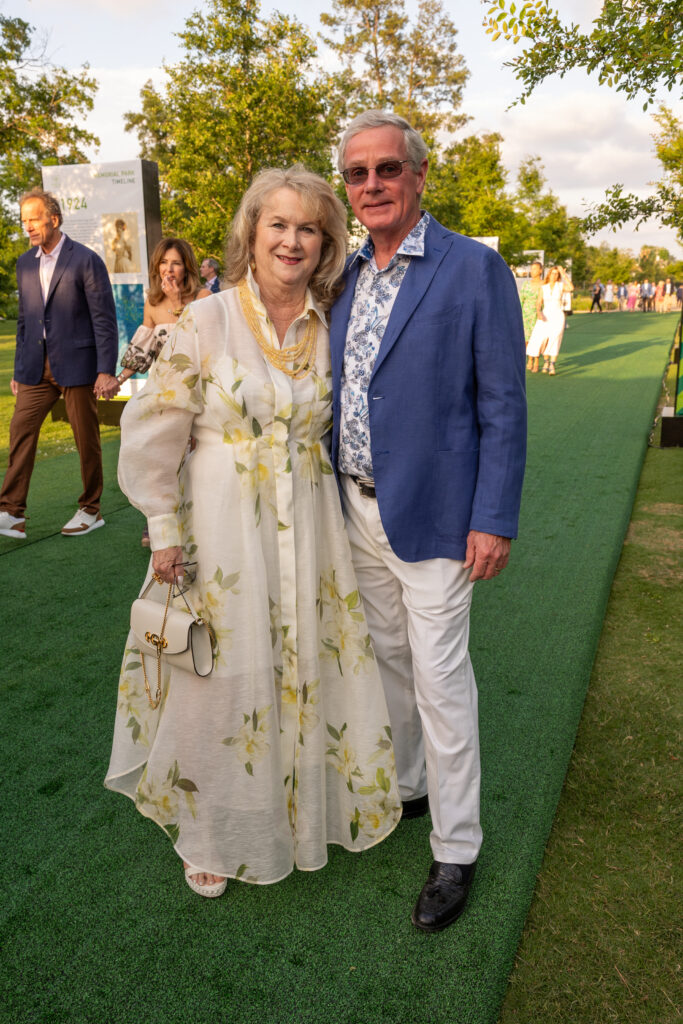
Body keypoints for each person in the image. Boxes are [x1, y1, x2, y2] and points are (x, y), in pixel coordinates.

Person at [105, 166, 401, 899]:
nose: (292, 240)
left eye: (308, 228)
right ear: (251, 231)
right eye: (278, 224)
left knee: (303, 662)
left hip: (310, 522)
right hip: (221, 524)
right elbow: (153, 432)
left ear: (326, 242)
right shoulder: (203, 321)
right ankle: (210, 832)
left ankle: (299, 812)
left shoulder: (332, 327)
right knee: (220, 675)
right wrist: (165, 527)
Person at [329, 110, 527, 932]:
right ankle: (409, 791)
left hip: (441, 515)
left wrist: (493, 517)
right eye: (355, 174)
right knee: (387, 664)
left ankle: (456, 847)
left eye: (385, 170)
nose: (370, 185)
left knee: (442, 681)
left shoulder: (473, 269)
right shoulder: (342, 274)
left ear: (417, 176)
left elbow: (503, 405)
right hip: (353, 505)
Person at [0, 188, 118, 541]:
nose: (28, 227)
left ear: (53, 218)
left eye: (34, 219)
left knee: (86, 439)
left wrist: (105, 369)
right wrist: (20, 371)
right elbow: (25, 321)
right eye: (24, 221)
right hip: (36, 368)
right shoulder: (25, 263)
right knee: (21, 431)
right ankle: (11, 512)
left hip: (79, 366)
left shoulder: (85, 259)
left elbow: (104, 319)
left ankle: (91, 508)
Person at [114, 238, 211, 546]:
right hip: (163, 387)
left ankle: (198, 519)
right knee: (159, 452)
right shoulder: (153, 303)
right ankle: (158, 519)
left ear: (188, 268)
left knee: (193, 453)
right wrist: (118, 379)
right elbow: (145, 346)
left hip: (198, 387)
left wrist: (180, 303)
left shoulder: (205, 296)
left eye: (176, 263)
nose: (169, 269)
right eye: (164, 263)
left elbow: (203, 340)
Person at [526, 266, 573, 375]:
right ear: (549, 274)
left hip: (558, 316)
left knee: (555, 339)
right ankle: (546, 361)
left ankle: (552, 364)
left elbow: (571, 288)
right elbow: (539, 302)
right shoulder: (544, 287)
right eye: (552, 273)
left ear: (558, 276)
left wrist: (564, 274)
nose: (554, 276)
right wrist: (538, 312)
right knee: (541, 339)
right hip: (545, 315)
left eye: (556, 274)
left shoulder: (560, 286)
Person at [519, 260, 543, 367]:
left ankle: (536, 360)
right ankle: (529, 358)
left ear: (540, 270)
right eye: (531, 269)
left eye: (535, 269)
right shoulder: (526, 284)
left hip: (539, 314)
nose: (532, 271)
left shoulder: (544, 284)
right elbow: (521, 299)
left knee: (537, 338)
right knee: (526, 338)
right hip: (525, 314)